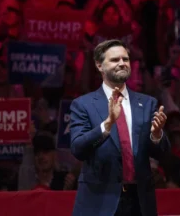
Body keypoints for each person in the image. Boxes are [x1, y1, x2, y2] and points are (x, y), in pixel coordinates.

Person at [69, 39, 170, 216]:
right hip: (100, 201)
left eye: (126, 59)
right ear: (99, 65)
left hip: (139, 202)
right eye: (115, 60)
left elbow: (163, 154)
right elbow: (78, 149)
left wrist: (156, 135)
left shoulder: (147, 103)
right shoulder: (83, 104)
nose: (122, 63)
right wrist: (107, 124)